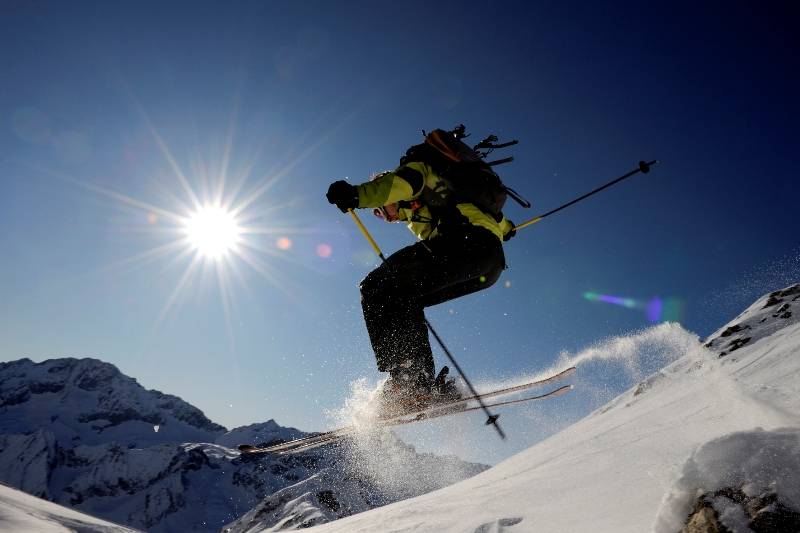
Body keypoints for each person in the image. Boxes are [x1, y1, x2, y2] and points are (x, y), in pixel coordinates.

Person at [326, 145, 516, 411]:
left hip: (465, 245)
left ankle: (410, 382)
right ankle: (423, 385)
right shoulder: (438, 201)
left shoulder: (415, 174)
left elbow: (398, 185)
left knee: (376, 286)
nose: (383, 217)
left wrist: (357, 195)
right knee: (403, 298)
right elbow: (497, 220)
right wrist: (507, 229)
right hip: (488, 263)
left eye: (379, 211)